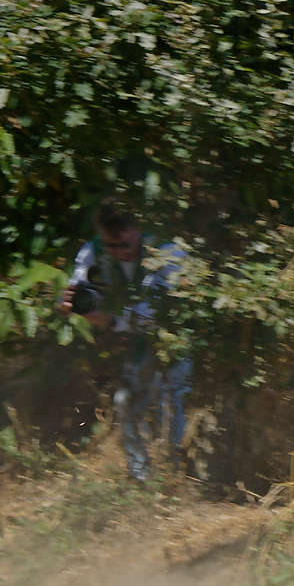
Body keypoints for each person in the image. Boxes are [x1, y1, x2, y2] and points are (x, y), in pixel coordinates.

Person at [55, 201, 193, 481]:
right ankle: (139, 475)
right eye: (111, 245)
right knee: (126, 401)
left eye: (125, 244)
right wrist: (67, 300)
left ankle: (175, 474)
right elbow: (76, 289)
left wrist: (111, 319)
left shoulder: (165, 251)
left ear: (138, 230)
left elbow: (172, 308)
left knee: (173, 399)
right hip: (139, 336)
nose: (119, 253)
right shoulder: (93, 251)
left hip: (175, 334)